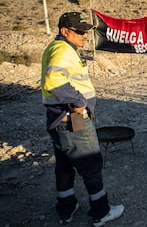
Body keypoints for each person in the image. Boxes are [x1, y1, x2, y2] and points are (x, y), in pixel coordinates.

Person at [41, 12, 124, 226]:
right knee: (91, 164)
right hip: (72, 119)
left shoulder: (56, 48)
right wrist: (79, 103)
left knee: (65, 165)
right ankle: (101, 211)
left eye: (86, 30)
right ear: (64, 31)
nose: (85, 35)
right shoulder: (62, 50)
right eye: (79, 31)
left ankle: (66, 207)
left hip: (59, 119)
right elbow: (55, 81)